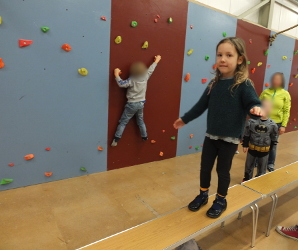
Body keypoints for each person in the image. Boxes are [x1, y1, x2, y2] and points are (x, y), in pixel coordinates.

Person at [173, 37, 262, 219]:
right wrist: (185, 119)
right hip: (211, 136)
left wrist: (256, 110)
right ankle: (203, 194)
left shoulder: (243, 85)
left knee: (223, 171)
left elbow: (252, 103)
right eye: (219, 54)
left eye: (229, 55)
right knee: (205, 168)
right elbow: (201, 105)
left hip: (229, 139)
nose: (222, 59)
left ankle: (221, 199)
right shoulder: (214, 84)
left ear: (239, 60)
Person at [111, 55, 161, 146]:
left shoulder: (132, 80)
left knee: (123, 122)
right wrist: (156, 61)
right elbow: (151, 70)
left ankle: (116, 139)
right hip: (141, 104)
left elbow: (121, 84)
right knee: (140, 121)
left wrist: (116, 75)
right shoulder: (145, 76)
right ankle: (144, 136)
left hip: (131, 104)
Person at [259, 73, 291, 171]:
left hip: (276, 123)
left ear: (282, 81)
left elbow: (286, 111)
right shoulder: (265, 92)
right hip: (263, 121)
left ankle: (270, 163)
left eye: (278, 79)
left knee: (272, 144)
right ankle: (257, 160)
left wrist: (283, 125)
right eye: (274, 79)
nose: (275, 81)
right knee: (259, 142)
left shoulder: (285, 94)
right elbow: (258, 105)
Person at [242, 99, 278, 181]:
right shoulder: (251, 121)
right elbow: (247, 134)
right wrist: (245, 144)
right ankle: (247, 179)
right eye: (263, 106)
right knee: (248, 166)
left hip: (264, 151)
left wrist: (271, 149)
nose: (265, 108)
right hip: (252, 149)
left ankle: (259, 181)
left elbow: (274, 138)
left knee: (262, 168)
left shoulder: (273, 125)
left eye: (268, 106)